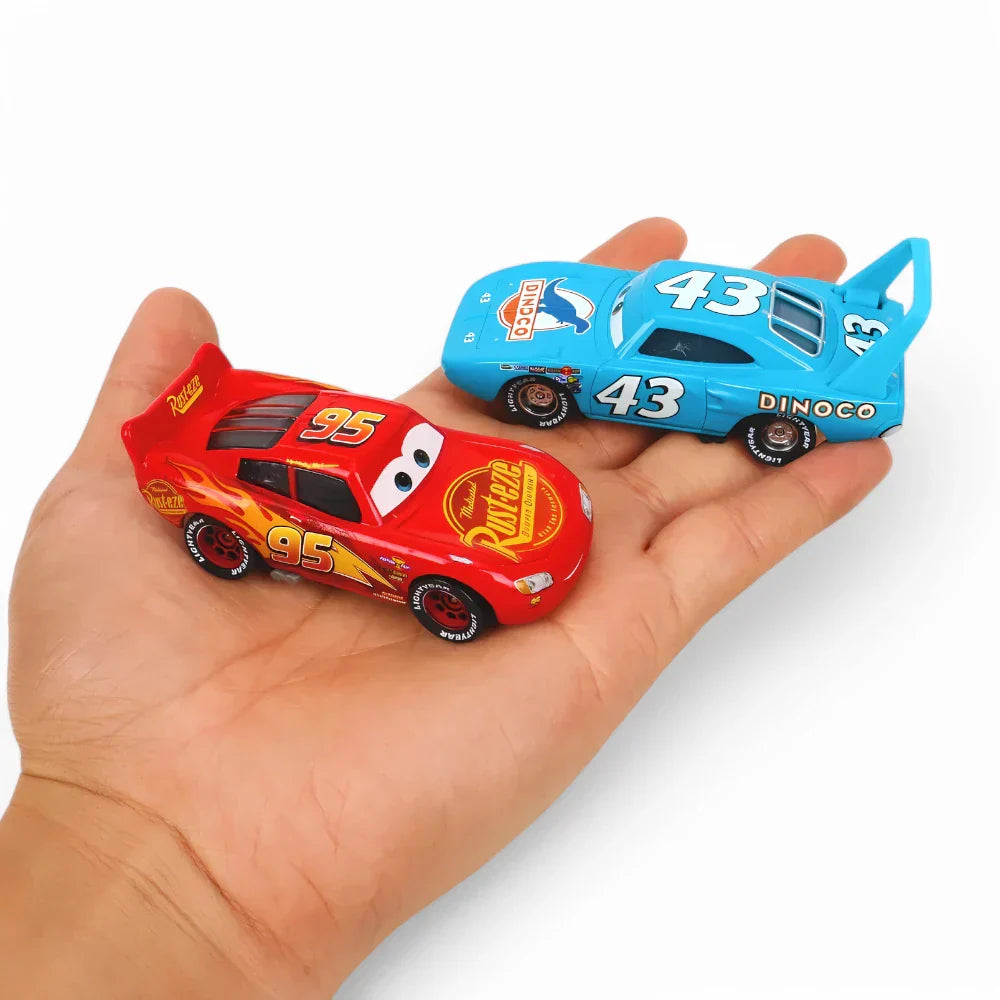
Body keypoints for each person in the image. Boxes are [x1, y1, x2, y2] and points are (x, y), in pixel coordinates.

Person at [0, 219, 890, 998]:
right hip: (296, 514)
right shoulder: (325, 531)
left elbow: (487, 465)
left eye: (414, 454)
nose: (416, 465)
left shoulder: (462, 448)